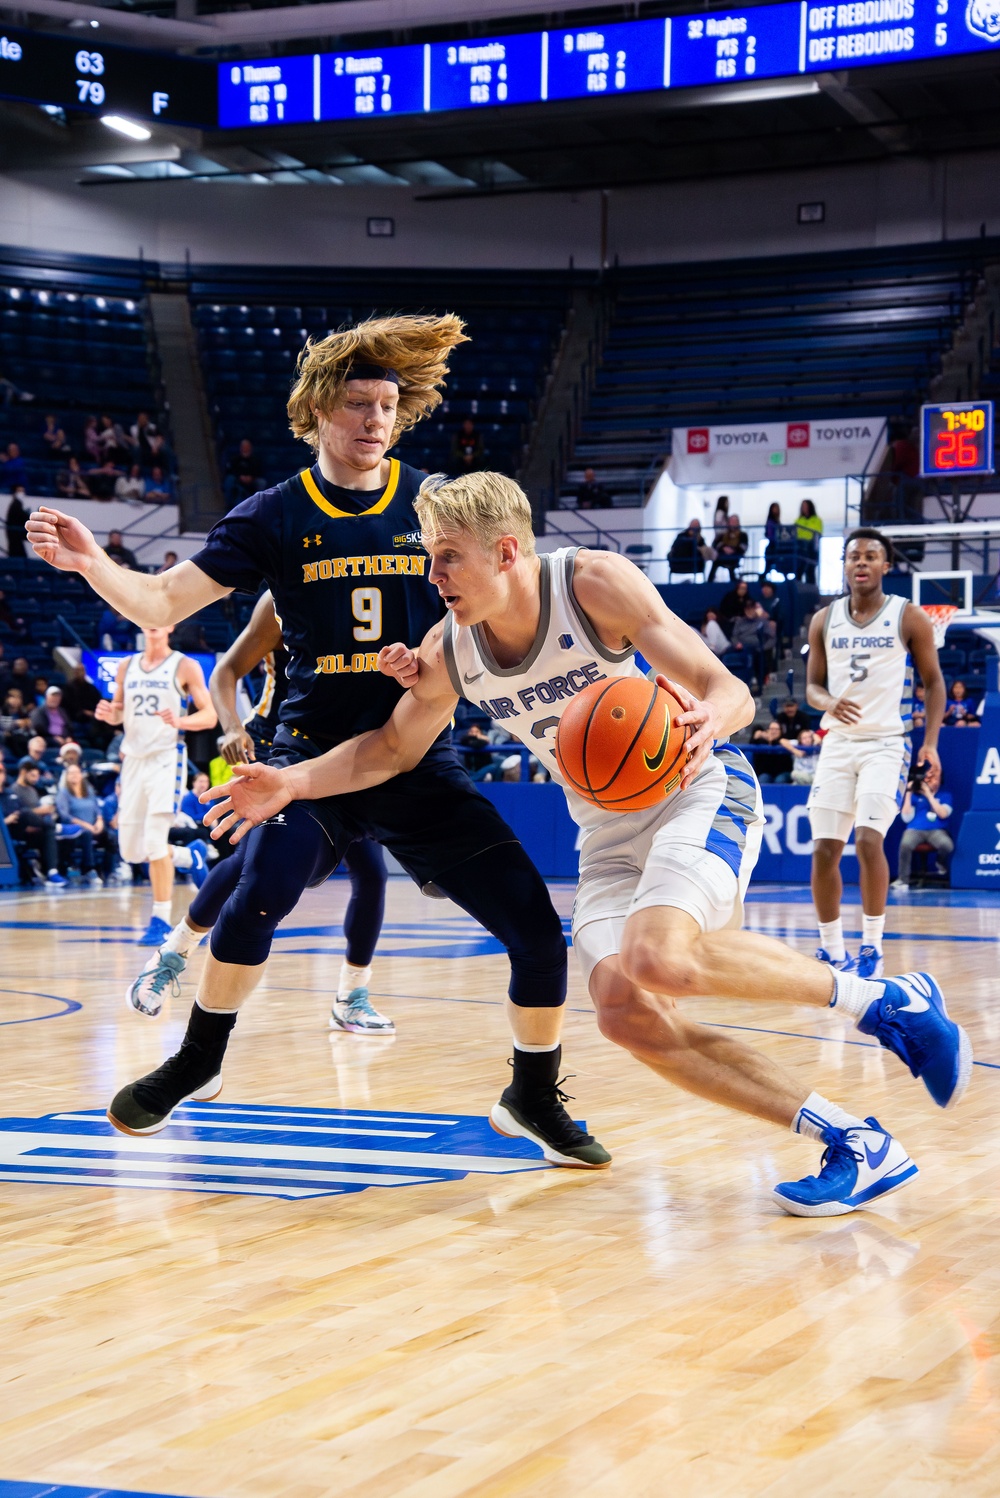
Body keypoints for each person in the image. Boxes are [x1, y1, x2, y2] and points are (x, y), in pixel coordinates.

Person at [204, 470, 972, 1218]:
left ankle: (885, 1001)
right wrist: (294, 781)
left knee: (660, 958)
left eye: (447, 556)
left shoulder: (593, 583)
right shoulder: (452, 649)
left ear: (507, 552)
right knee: (624, 1014)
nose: (431, 572)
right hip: (604, 828)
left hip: (694, 787)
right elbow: (389, 752)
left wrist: (714, 721)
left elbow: (724, 687)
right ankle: (853, 1141)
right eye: (430, 554)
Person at [27, 313, 608, 1173]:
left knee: (532, 922)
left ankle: (531, 1091)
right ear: (314, 414)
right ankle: (198, 1059)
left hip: (414, 751)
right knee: (258, 889)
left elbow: (513, 583)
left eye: (387, 404)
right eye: (356, 404)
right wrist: (90, 567)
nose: (375, 419)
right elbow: (158, 605)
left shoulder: (434, 503)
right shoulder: (273, 515)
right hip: (306, 756)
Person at [127, 590, 393, 1036]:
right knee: (246, 865)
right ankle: (170, 956)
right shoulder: (282, 598)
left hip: (342, 750)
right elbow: (227, 670)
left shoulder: (367, 591)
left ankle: (352, 995)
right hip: (274, 744)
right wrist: (233, 727)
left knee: (372, 872)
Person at [806, 528, 945, 979]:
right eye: (853, 556)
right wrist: (827, 702)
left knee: (868, 840)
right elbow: (811, 687)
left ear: (886, 566)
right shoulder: (823, 619)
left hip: (888, 743)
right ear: (844, 566)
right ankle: (831, 950)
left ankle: (872, 946)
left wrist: (930, 743)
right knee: (825, 848)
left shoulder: (908, 617)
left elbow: (934, 682)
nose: (860, 563)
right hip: (838, 743)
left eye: (870, 556)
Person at [94, 625, 217, 946]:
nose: (152, 619)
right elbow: (118, 713)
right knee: (132, 851)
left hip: (166, 757)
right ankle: (191, 858)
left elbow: (209, 716)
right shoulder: (126, 666)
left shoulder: (184, 665)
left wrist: (180, 721)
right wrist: (108, 713)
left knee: (154, 839)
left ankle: (160, 920)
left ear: (171, 623)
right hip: (133, 760)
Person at [893, 761, 953, 889]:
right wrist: (908, 793)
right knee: (905, 844)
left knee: (947, 845)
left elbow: (943, 814)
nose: (929, 780)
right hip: (915, 829)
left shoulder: (945, 796)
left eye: (933, 778)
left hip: (936, 830)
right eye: (927, 778)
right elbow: (906, 817)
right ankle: (903, 880)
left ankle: (940, 863)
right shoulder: (915, 796)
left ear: (939, 780)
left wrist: (929, 795)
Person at [10, 757, 66, 887]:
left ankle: (53, 872)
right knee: (38, 821)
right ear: (23, 772)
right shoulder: (14, 790)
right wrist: (40, 811)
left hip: (39, 829)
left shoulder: (33, 790)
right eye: (33, 775)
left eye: (37, 776)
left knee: (52, 835)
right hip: (22, 831)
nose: (36, 779)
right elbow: (18, 816)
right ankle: (55, 828)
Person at [55, 762, 106, 885]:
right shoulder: (63, 793)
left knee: (111, 837)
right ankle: (88, 869)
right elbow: (65, 816)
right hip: (74, 830)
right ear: (66, 776)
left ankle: (111, 870)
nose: (74, 775)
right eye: (71, 773)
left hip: (93, 827)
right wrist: (86, 825)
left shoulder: (88, 791)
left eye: (76, 772)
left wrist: (99, 820)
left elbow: (97, 809)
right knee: (87, 834)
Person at [730, 600, 776, 687]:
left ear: (755, 609)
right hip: (742, 648)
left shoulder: (762, 621)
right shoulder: (740, 622)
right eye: (747, 609)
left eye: (751, 609)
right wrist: (737, 644)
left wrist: (764, 647)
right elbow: (734, 636)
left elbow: (772, 638)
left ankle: (756, 681)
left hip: (758, 648)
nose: (749, 612)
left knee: (758, 657)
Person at [224, 439, 263, 509]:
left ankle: (259, 506)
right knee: (229, 480)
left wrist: (251, 477)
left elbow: (259, 471)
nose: (245, 448)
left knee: (261, 482)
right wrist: (240, 477)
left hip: (252, 480)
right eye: (244, 446)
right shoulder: (235, 459)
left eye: (247, 446)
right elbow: (231, 470)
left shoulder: (255, 460)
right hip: (237, 480)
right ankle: (229, 504)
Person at [708, 514, 748, 581]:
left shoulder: (743, 535)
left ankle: (733, 582)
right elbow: (715, 544)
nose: (733, 523)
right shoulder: (723, 534)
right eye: (731, 521)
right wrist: (723, 548)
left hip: (735, 556)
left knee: (732, 564)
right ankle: (709, 582)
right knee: (715, 562)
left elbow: (744, 547)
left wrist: (733, 550)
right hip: (722, 556)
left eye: (735, 521)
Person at [795, 500, 823, 583]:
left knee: (810, 570)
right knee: (799, 568)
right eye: (803, 506)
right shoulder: (798, 520)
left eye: (806, 506)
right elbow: (795, 533)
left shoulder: (817, 520)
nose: (804, 508)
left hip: (811, 547)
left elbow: (817, 532)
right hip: (800, 547)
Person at [5, 488, 28, 557]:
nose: (22, 493)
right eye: (19, 491)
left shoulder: (17, 504)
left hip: (15, 536)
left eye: (22, 491)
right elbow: (19, 516)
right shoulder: (16, 504)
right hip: (15, 536)